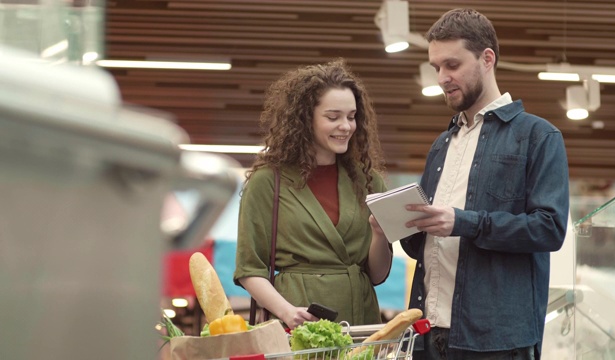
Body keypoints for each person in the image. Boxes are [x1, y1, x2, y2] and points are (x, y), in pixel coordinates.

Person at [400, 8, 570, 360]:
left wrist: (464, 222)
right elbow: (424, 247)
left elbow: (549, 229)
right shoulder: (441, 145)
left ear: (487, 58)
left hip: (496, 341)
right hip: (427, 333)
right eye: (436, 68)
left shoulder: (538, 137)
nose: (442, 77)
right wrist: (399, 222)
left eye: (452, 65)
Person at [233, 59, 393, 330]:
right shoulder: (267, 182)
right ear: (305, 118)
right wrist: (286, 312)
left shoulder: (368, 180)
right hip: (298, 322)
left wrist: (380, 234)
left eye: (352, 117)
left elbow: (377, 275)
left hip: (361, 321)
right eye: (333, 117)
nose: (346, 126)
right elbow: (249, 269)